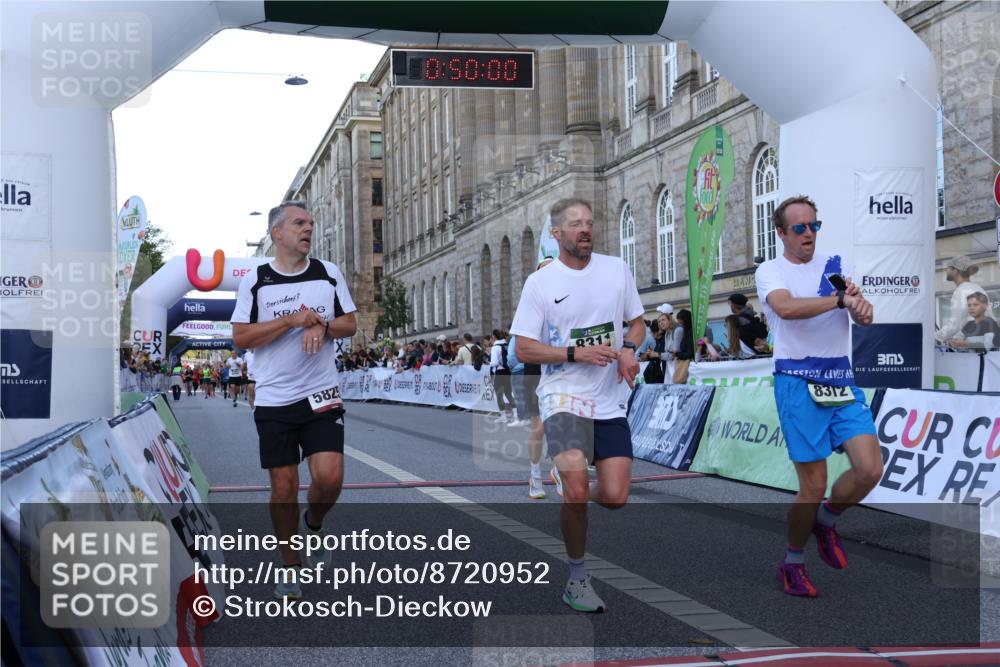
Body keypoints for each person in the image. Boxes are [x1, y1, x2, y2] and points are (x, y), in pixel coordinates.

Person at [511, 197, 644, 613]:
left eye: (589, 222)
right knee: (575, 490)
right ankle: (577, 577)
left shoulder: (616, 270)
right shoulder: (541, 284)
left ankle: (572, 481)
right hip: (563, 394)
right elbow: (524, 349)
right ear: (557, 235)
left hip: (608, 399)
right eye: (574, 224)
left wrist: (627, 349)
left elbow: (636, 322)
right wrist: (574, 354)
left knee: (618, 496)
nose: (584, 229)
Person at [755, 195, 881, 598]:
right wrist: (840, 300)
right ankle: (791, 563)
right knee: (813, 484)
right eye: (799, 228)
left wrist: (859, 308)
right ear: (782, 233)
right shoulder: (770, 270)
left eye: (814, 226)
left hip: (840, 379)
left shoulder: (836, 266)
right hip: (797, 380)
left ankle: (826, 522)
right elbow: (787, 309)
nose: (809, 233)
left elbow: (864, 314)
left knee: (870, 469)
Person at [231, 200, 358, 599]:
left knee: (329, 477)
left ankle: (315, 523)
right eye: (299, 223)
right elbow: (241, 337)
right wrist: (290, 320)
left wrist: (321, 322)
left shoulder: (327, 273)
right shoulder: (256, 279)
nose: (308, 229)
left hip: (320, 392)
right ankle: (290, 562)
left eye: (310, 223)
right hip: (274, 398)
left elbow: (350, 324)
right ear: (277, 233)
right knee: (284, 485)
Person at [936, 255, 988, 344]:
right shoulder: (978, 288)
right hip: (982, 345)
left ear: (955, 270)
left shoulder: (961, 291)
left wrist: (936, 337)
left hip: (970, 348)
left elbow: (955, 324)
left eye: (948, 267)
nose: (946, 270)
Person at [490, 329, 517, 423]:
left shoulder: (495, 347)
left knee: (499, 395)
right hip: (508, 371)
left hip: (500, 372)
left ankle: (503, 416)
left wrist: (489, 362)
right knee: (509, 394)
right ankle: (516, 415)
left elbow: (494, 362)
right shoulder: (507, 345)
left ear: (494, 336)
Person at [672, 309, 694, 383]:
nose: (681, 326)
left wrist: (678, 354)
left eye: (681, 323)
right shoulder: (687, 332)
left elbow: (690, 353)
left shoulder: (690, 333)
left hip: (689, 367)